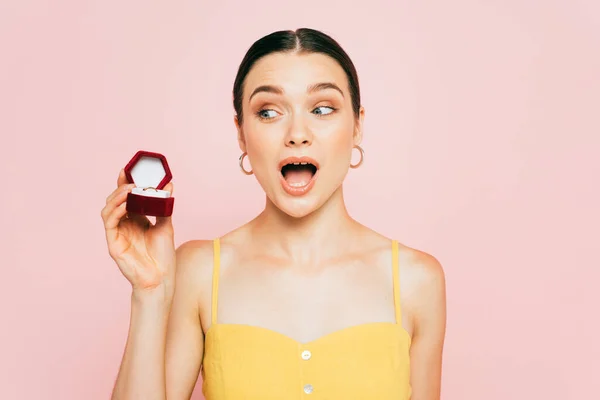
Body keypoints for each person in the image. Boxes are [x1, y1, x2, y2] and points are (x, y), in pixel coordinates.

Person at [101, 27, 446, 400]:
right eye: (268, 112)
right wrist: (149, 293)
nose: (297, 133)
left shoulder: (415, 280)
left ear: (357, 124)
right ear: (241, 134)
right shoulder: (200, 270)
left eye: (322, 109)